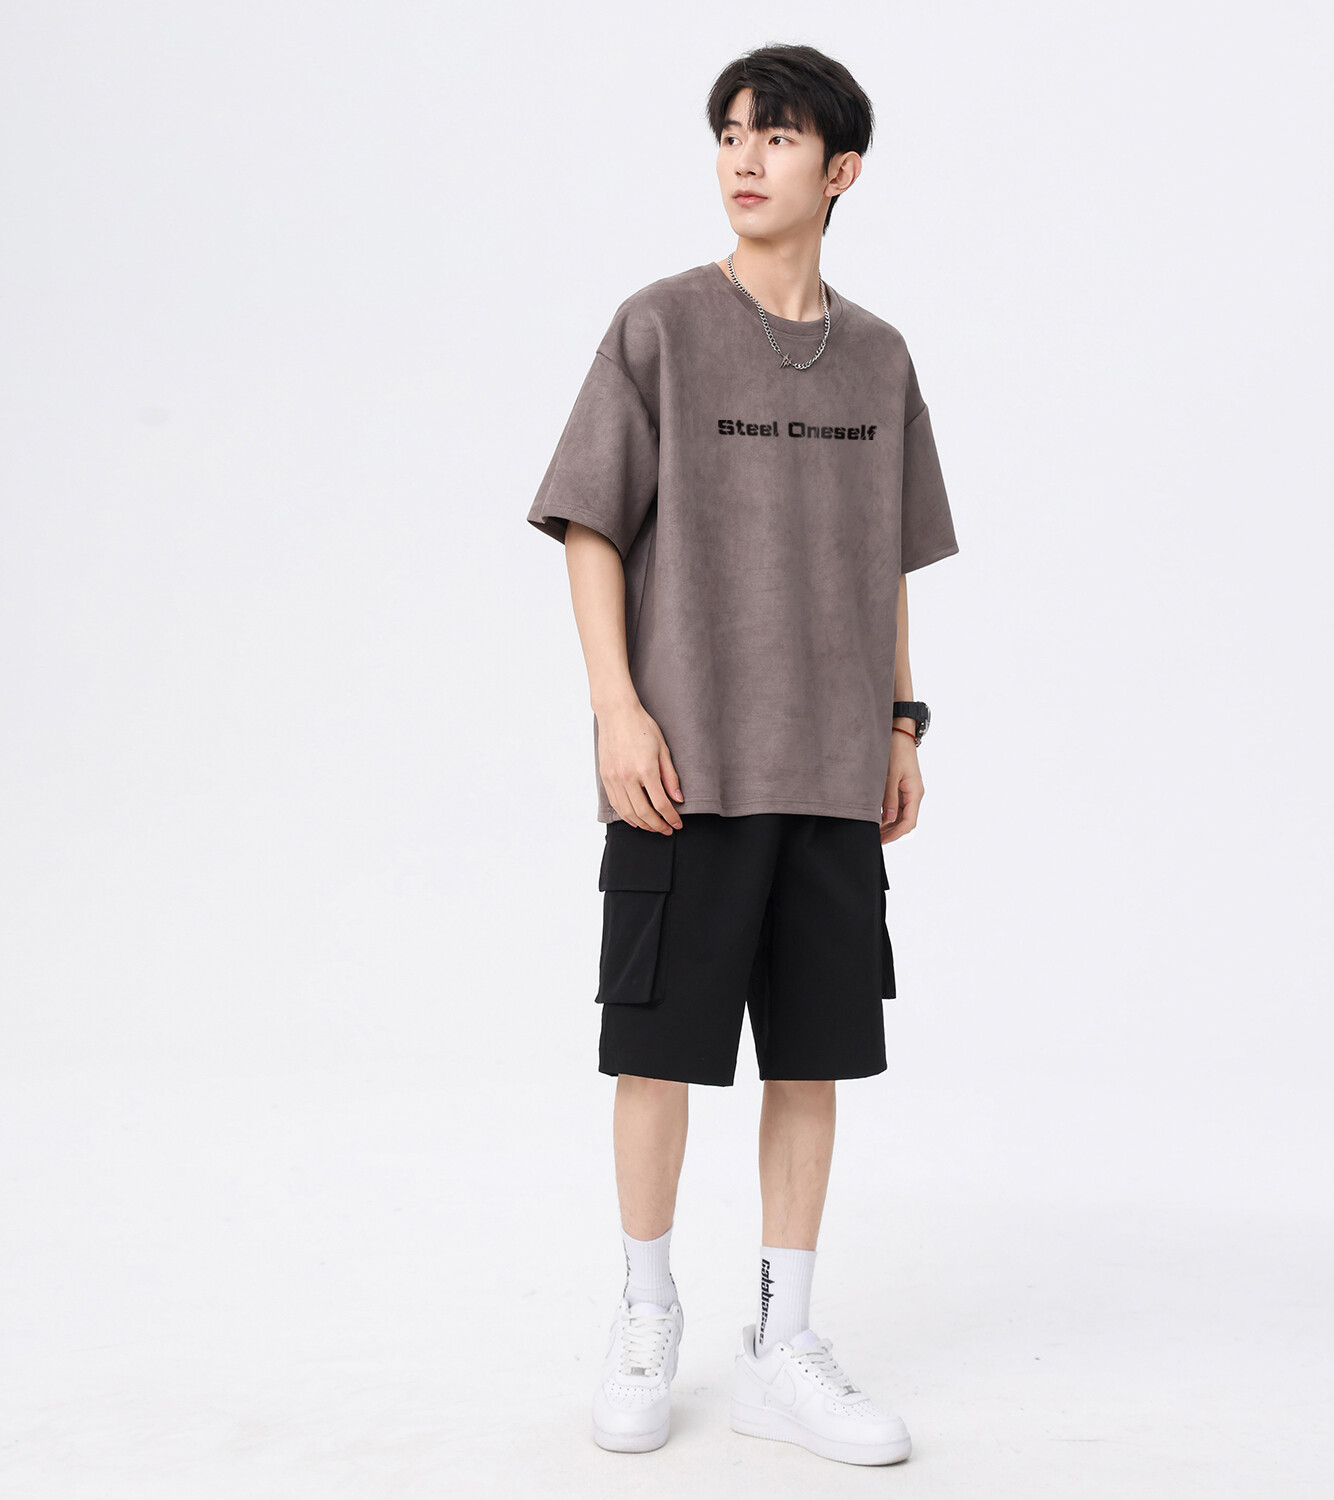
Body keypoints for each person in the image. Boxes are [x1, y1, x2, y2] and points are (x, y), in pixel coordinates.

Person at [525, 42, 959, 1466]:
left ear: (842, 171)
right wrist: (616, 707)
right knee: (656, 1053)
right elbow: (592, 524)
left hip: (829, 766)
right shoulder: (657, 327)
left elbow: (890, 563)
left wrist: (901, 719)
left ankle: (784, 1341)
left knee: (811, 1060)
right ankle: (646, 1313)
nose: (744, 157)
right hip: (687, 764)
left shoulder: (880, 357)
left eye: (776, 135)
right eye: (729, 132)